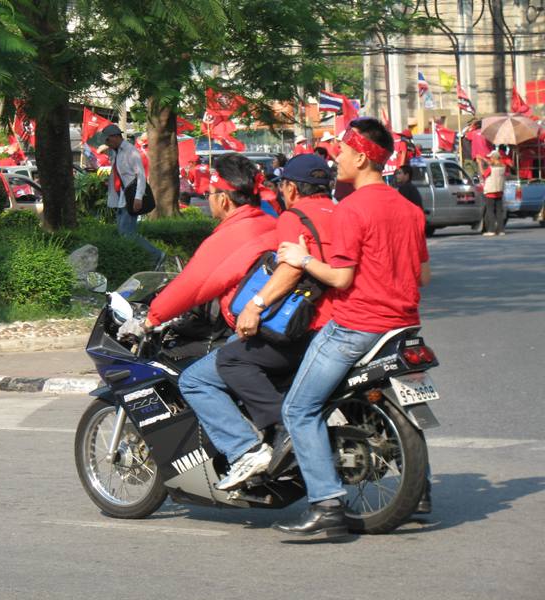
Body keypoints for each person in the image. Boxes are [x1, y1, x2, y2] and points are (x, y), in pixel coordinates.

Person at [272, 118, 430, 541]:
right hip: (404, 328)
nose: (335, 157)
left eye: (341, 150)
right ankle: (421, 491)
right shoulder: (410, 210)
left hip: (355, 327)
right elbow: (424, 275)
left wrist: (301, 258)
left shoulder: (353, 209)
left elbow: (340, 280)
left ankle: (326, 504)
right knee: (403, 403)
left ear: (362, 157)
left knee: (298, 409)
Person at [142, 153, 281, 489]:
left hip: (256, 329)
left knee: (194, 381)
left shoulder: (230, 234)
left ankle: (243, 448)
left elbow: (193, 284)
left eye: (209, 196)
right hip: (284, 323)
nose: (208, 203)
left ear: (223, 198)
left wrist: (152, 317)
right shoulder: (269, 221)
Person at [214, 154, 336, 478]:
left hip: (310, 326)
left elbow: (290, 270)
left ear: (292, 188)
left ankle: (283, 428)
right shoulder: (342, 213)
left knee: (230, 359)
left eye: (283, 185)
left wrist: (255, 305)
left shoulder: (293, 216)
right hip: (346, 323)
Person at [102, 123, 164, 269]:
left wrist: (138, 197)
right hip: (120, 198)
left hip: (130, 198)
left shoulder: (131, 152)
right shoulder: (116, 152)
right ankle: (138, 261)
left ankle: (156, 255)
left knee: (127, 233)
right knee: (123, 233)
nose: (106, 144)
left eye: (108, 140)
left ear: (116, 137)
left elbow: (141, 176)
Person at [481, 150, 507, 237]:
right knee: (499, 212)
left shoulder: (490, 168)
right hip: (499, 191)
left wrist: (479, 164)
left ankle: (491, 229)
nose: (490, 159)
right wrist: (484, 160)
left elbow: (483, 174)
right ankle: (501, 230)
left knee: (490, 211)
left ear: (494, 158)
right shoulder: (503, 167)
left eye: (491, 158)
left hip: (490, 192)